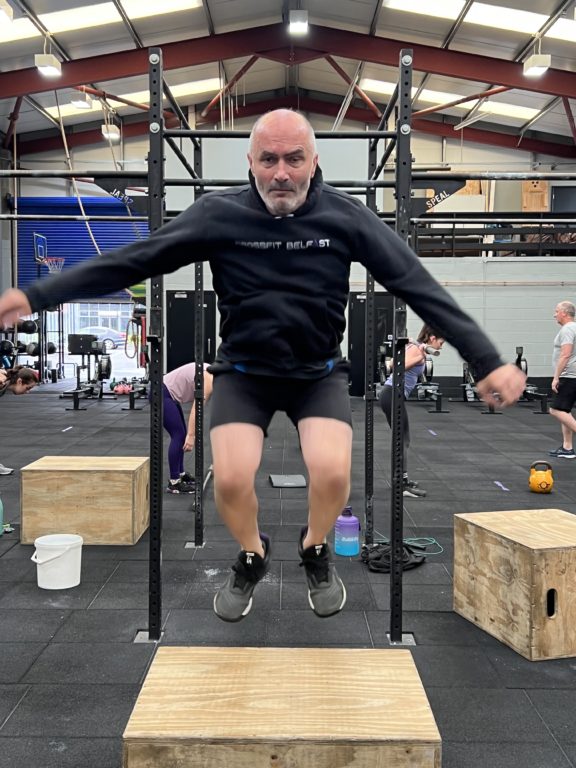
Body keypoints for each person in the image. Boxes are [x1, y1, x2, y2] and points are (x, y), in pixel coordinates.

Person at [0, 109, 526, 623]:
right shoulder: (218, 215)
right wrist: (35, 295)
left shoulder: (346, 217)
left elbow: (417, 284)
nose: (281, 173)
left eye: (294, 159)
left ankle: (314, 548)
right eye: (268, 160)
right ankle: (253, 554)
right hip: (243, 374)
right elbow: (131, 260)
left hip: (318, 374)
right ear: (250, 162)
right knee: (229, 480)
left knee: (333, 472)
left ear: (314, 161)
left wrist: (485, 360)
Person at [379, 324, 444, 498]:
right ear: (432, 338)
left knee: (402, 439)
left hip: (393, 395)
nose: (441, 346)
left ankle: (401, 480)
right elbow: (394, 365)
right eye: (441, 342)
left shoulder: (414, 346)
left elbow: (393, 362)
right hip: (392, 394)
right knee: (402, 440)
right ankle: (401, 485)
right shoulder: (417, 350)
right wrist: (419, 357)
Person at [160, 362, 214, 493]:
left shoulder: (213, 373)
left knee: (181, 435)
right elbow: (197, 408)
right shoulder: (209, 379)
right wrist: (191, 435)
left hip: (169, 394)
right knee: (179, 436)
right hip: (162, 393)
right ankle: (174, 483)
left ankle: (181, 474)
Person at [548, 300, 576, 459]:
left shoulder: (568, 329)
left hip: (569, 375)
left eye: (557, 311)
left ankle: (568, 447)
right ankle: (567, 447)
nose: (555, 315)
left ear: (564, 313)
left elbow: (565, 354)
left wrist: (556, 377)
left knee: (556, 410)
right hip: (572, 374)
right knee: (565, 410)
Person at [0, 365, 39, 474]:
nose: (27, 392)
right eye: (28, 388)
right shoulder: (2, 382)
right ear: (20, 381)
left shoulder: (4, 383)